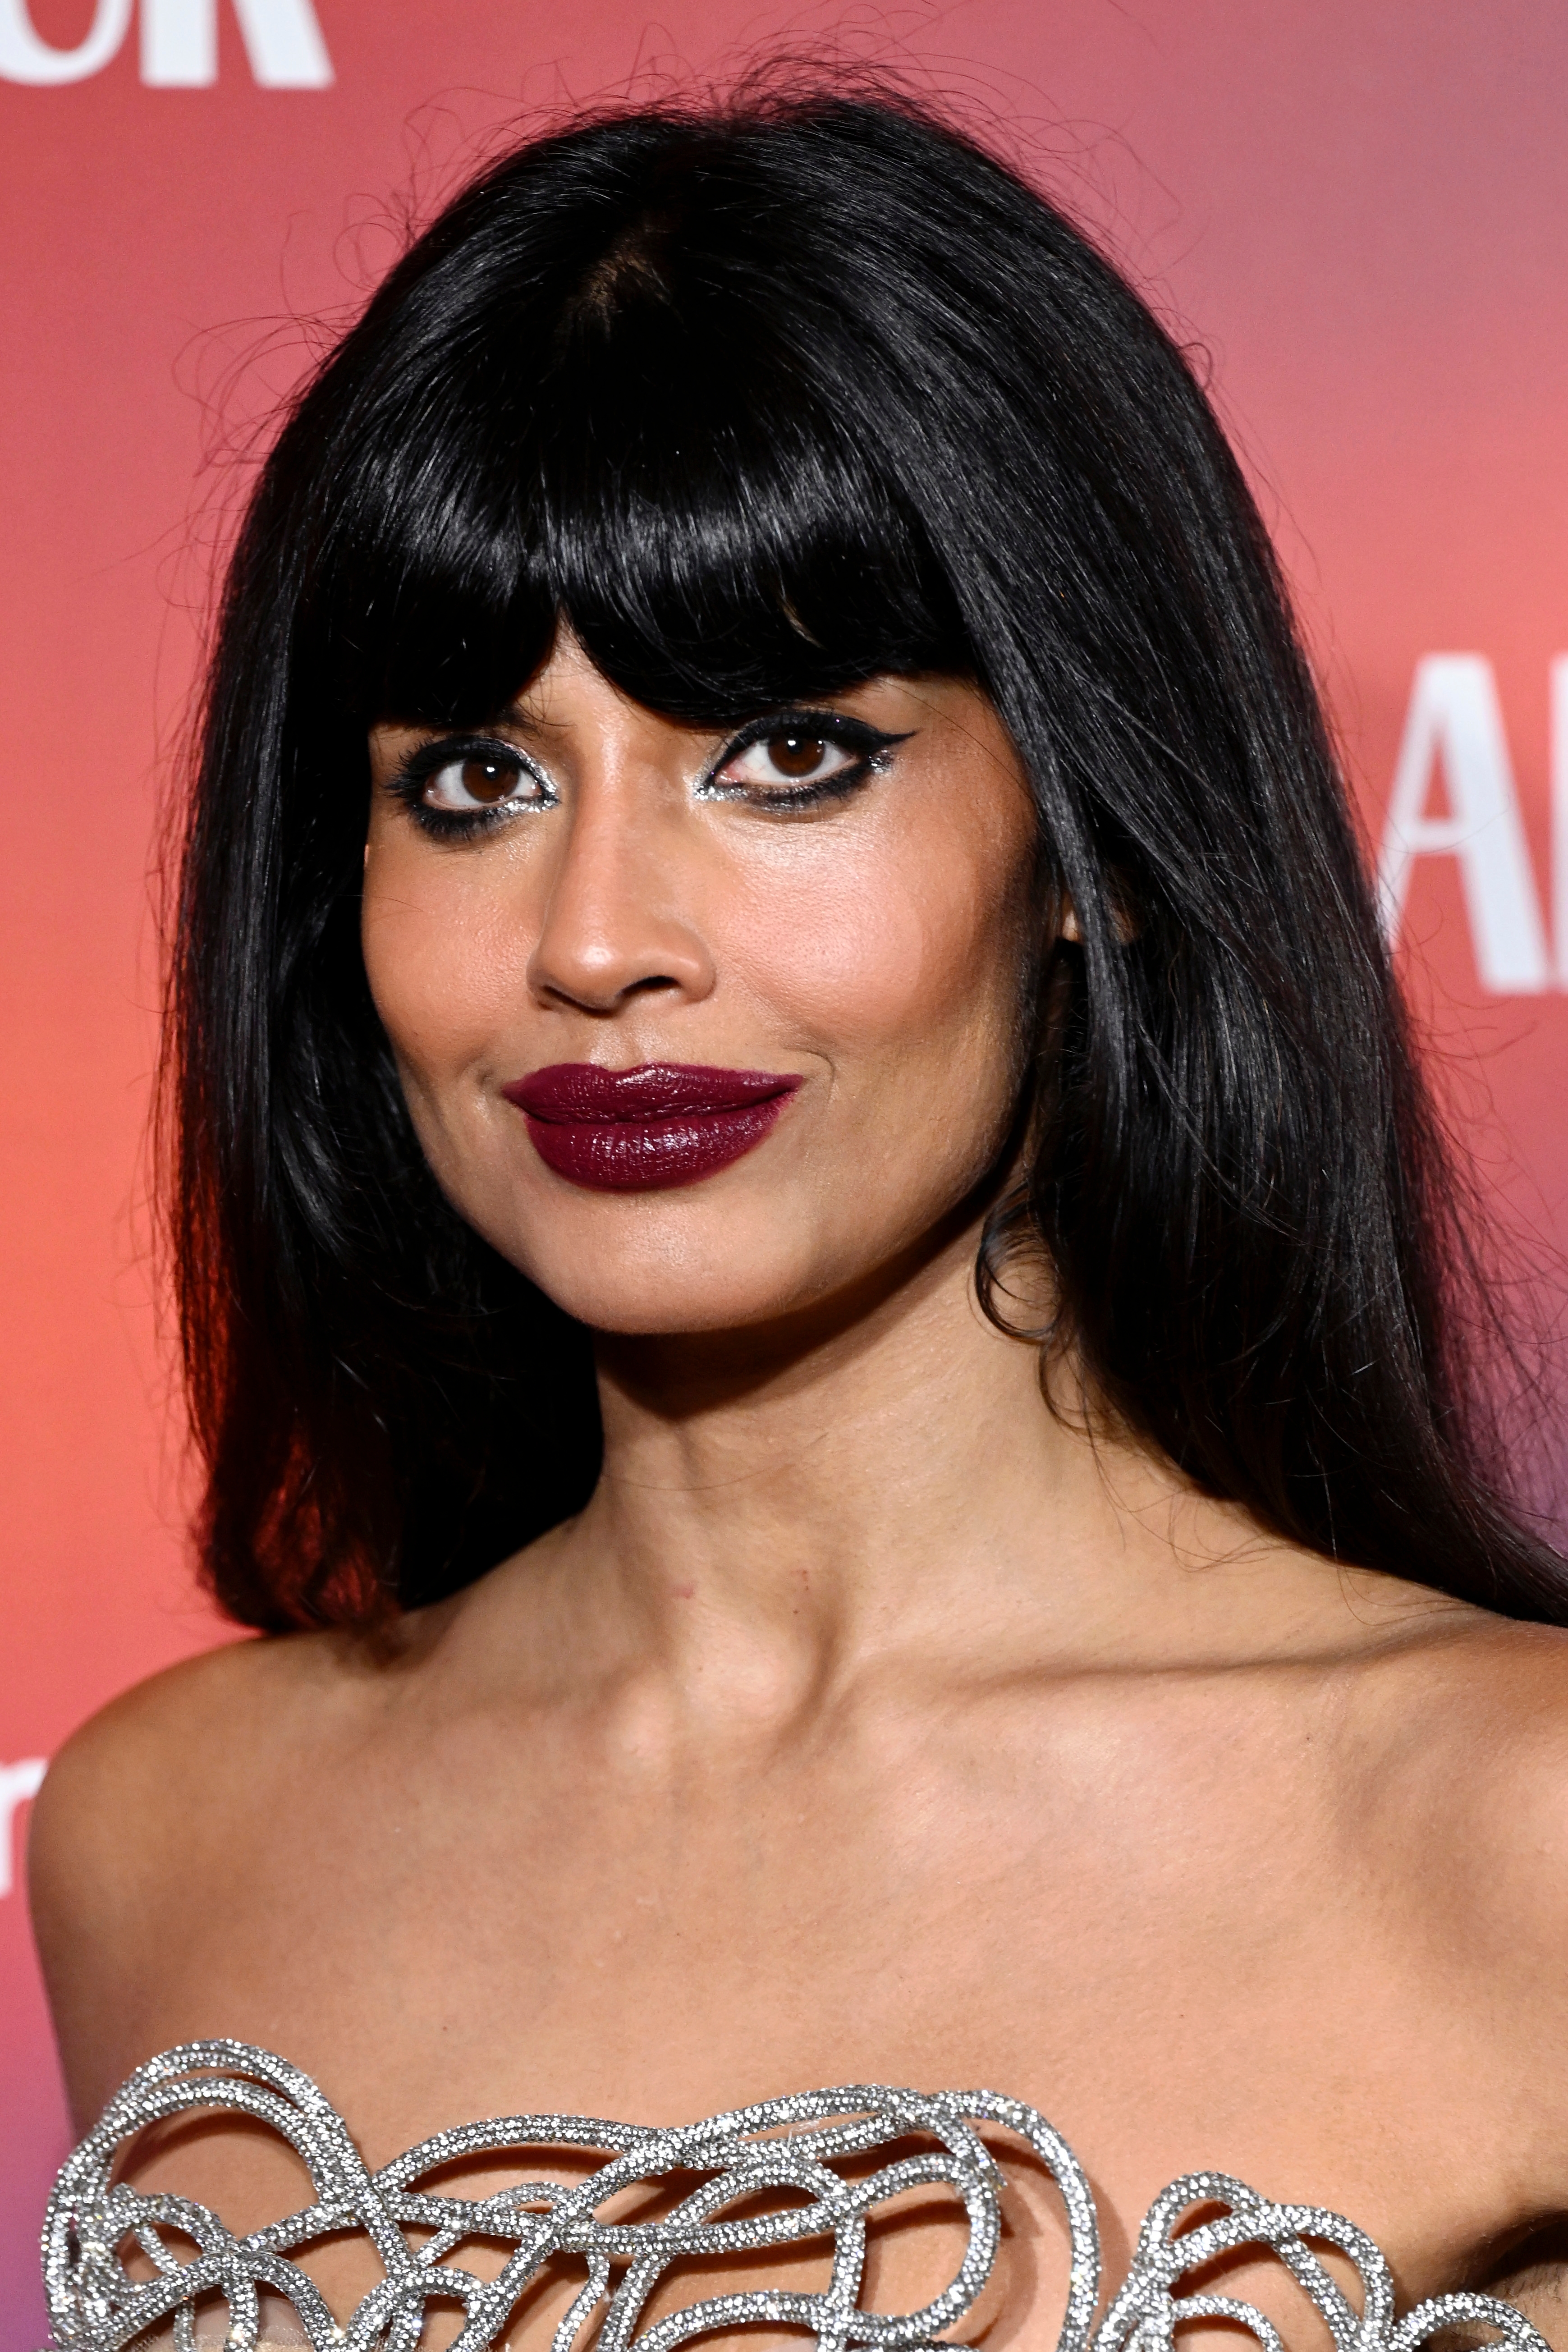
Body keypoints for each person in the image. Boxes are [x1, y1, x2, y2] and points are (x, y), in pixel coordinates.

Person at [26, 78, 1568, 2352]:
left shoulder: (1520, 1835)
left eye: (787, 755)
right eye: (478, 779)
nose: (596, 939)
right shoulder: (165, 1838)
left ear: (1091, 837)